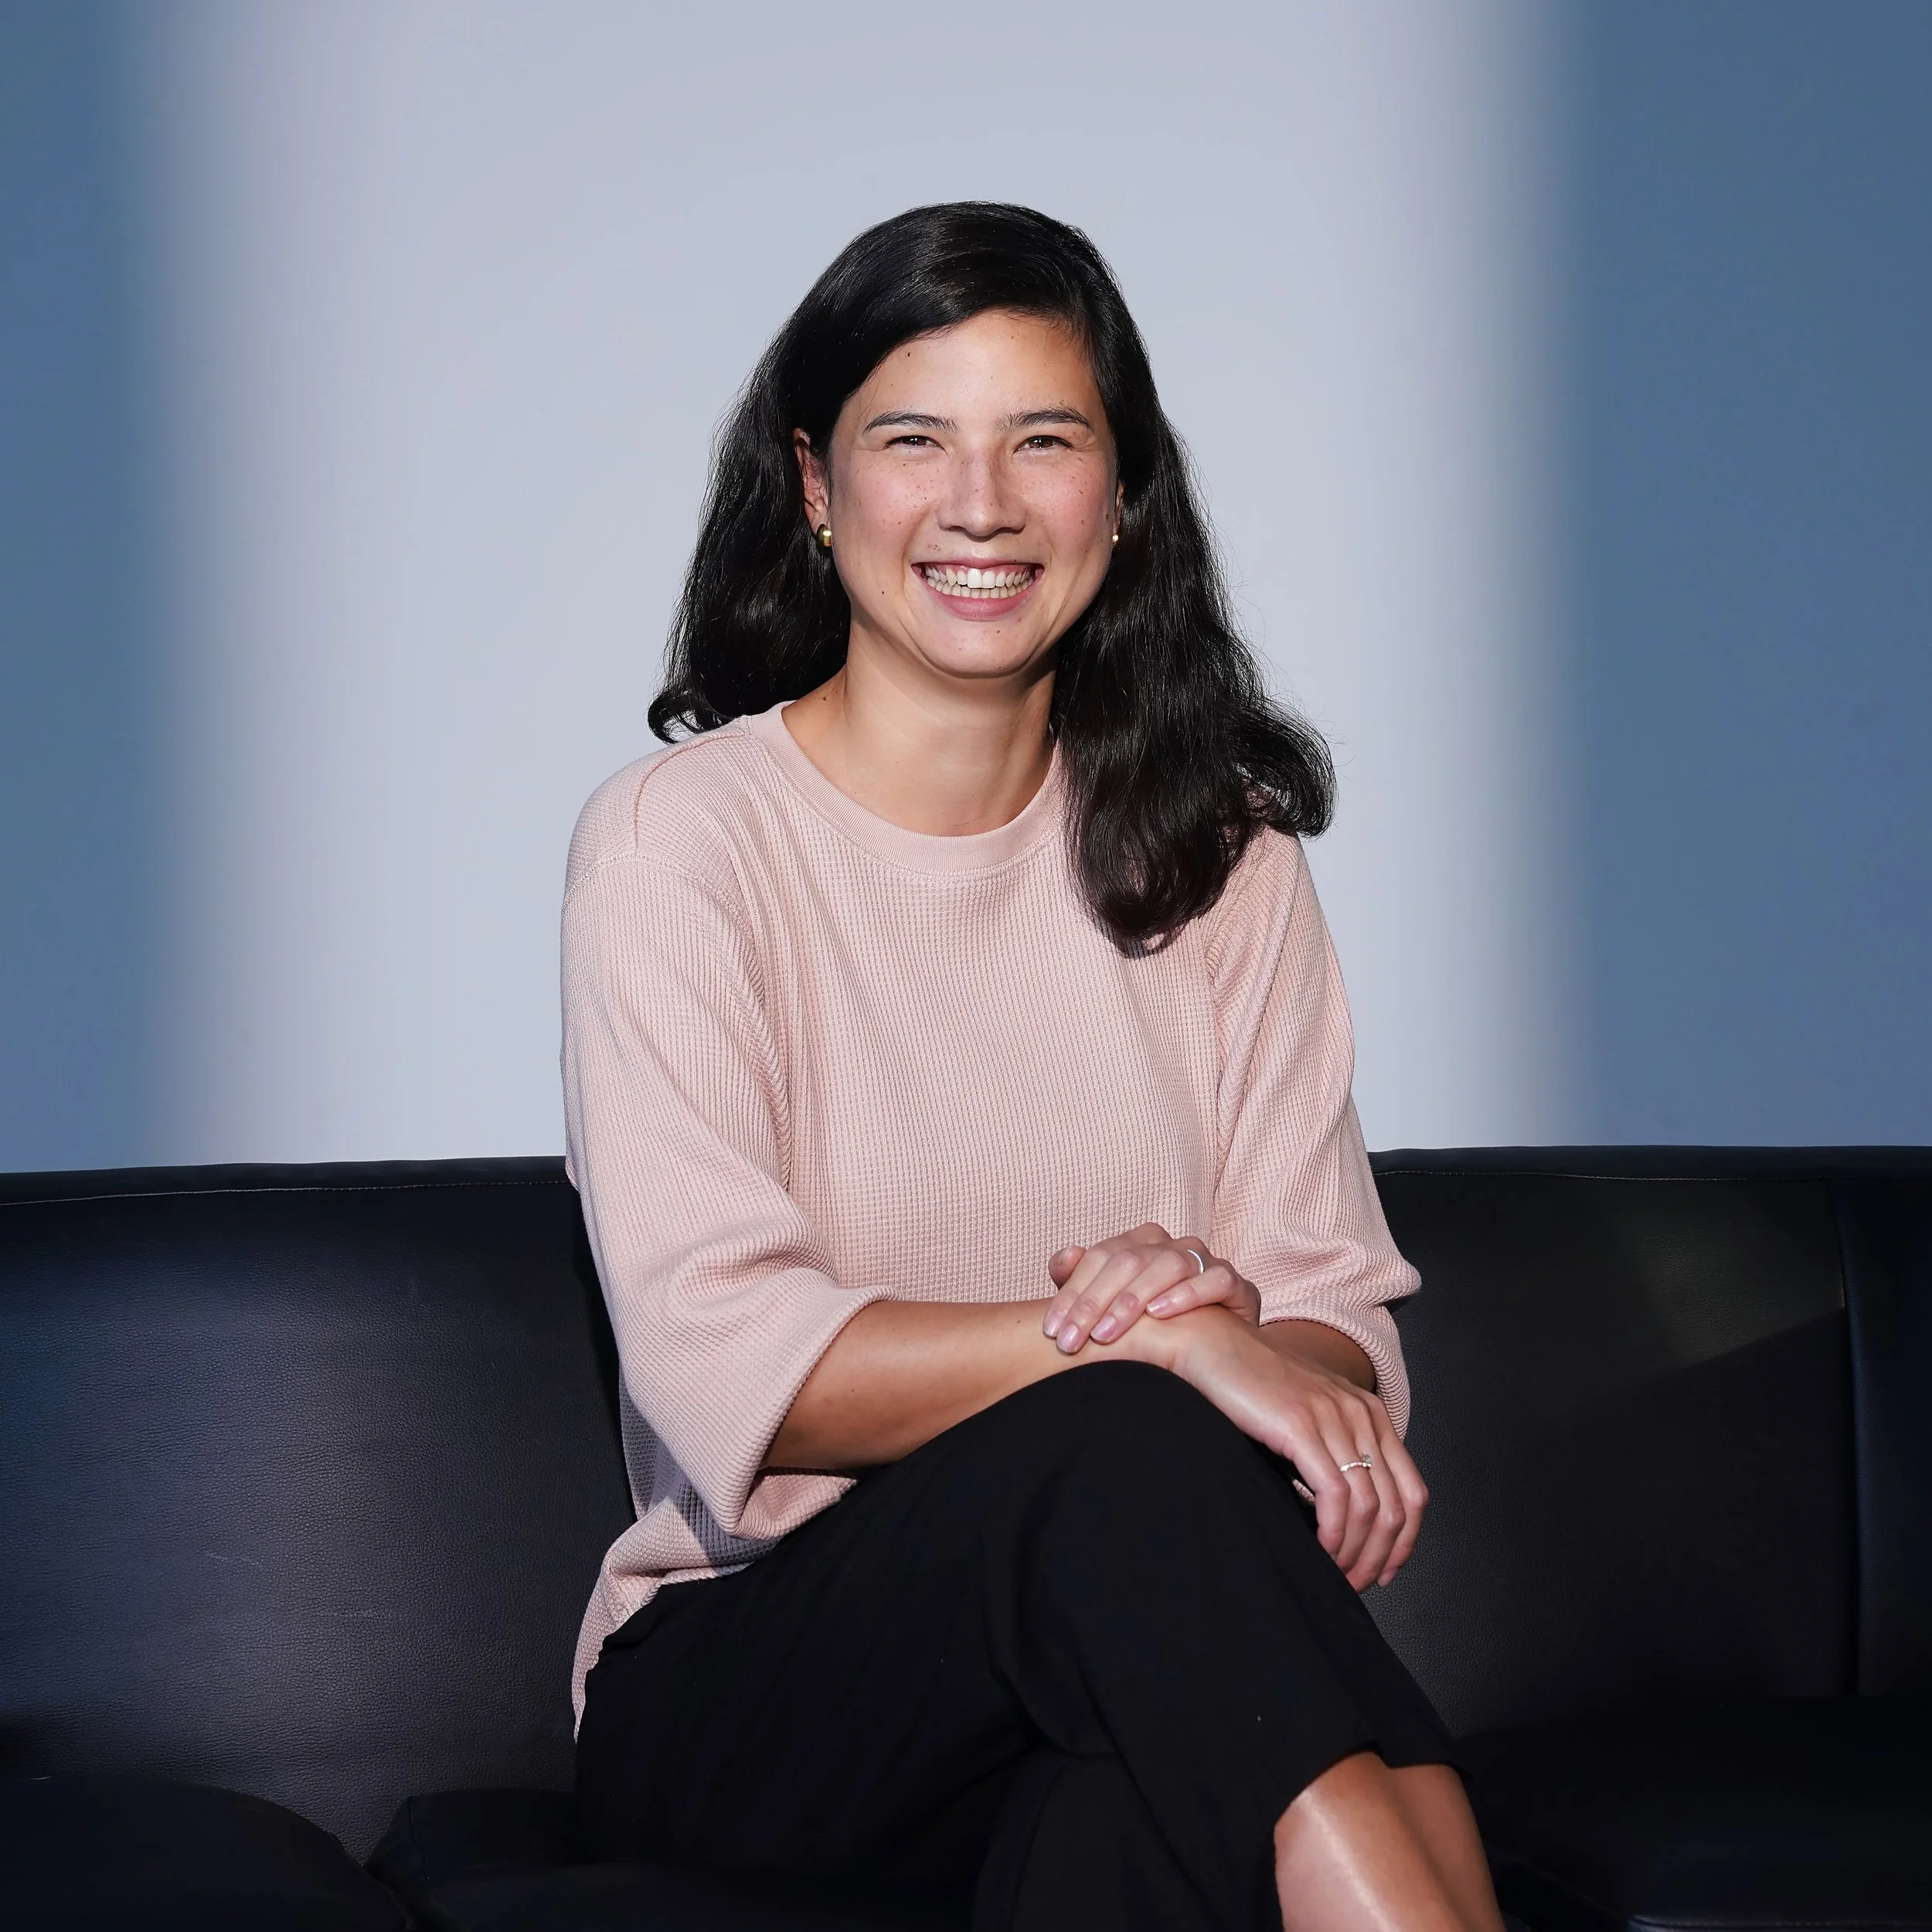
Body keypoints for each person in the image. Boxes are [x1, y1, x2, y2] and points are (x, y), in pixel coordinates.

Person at [563, 202, 1506, 1932]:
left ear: (1121, 491)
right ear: (814, 484)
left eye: (1043, 441)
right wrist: (1157, 1332)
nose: (979, 503)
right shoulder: (679, 844)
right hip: (763, 1688)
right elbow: (740, 1369)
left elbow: (1337, 1338)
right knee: (1129, 1443)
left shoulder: (1220, 851)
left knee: (1145, 1783)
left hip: (1116, 1653)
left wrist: (1223, 1339)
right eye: (911, 437)